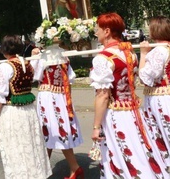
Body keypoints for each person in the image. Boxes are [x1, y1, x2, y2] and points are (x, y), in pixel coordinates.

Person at [90, 12, 168, 178]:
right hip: (133, 112)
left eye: (98, 29)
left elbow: (103, 95)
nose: (96, 32)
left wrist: (96, 126)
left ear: (107, 31)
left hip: (115, 113)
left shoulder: (102, 58)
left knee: (122, 154)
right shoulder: (130, 54)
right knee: (140, 151)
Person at [0, 35, 51, 179]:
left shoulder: (5, 67)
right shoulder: (28, 63)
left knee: (16, 148)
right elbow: (37, 76)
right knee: (31, 145)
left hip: (13, 112)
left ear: (4, 50)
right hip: (29, 111)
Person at [30, 47, 84, 179]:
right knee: (52, 131)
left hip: (48, 96)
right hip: (61, 96)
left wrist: (33, 57)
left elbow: (33, 75)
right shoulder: (65, 57)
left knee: (51, 131)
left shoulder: (44, 57)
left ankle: (71, 167)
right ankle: (47, 169)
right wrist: (68, 100)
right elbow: (69, 80)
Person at [139, 16, 170, 164]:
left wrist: (143, 54)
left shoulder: (159, 51)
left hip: (160, 98)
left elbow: (145, 77)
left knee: (161, 135)